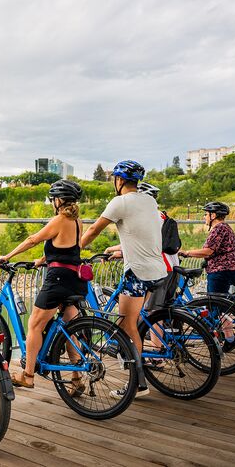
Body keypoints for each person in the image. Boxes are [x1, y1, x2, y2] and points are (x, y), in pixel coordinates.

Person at [81, 160, 167, 399]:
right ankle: (127, 356)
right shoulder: (149, 200)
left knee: (126, 325)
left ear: (118, 181)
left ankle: (138, 384)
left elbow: (93, 230)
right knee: (130, 321)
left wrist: (72, 250)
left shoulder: (120, 202)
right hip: (158, 270)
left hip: (138, 271)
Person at [0, 180, 88, 394]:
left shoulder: (59, 219)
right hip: (75, 279)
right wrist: (43, 259)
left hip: (58, 280)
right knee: (70, 330)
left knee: (34, 324)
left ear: (59, 200)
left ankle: (27, 375)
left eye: (53, 198)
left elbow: (33, 238)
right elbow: (69, 248)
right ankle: (76, 378)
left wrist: (7, 256)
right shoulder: (77, 221)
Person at [179, 202, 235, 351]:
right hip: (230, 268)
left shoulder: (218, 229)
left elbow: (208, 251)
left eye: (206, 214)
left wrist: (186, 252)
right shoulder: (225, 227)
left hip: (221, 271)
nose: (204, 217)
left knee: (216, 308)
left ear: (213, 215)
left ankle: (230, 339)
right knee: (220, 305)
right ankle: (229, 333)